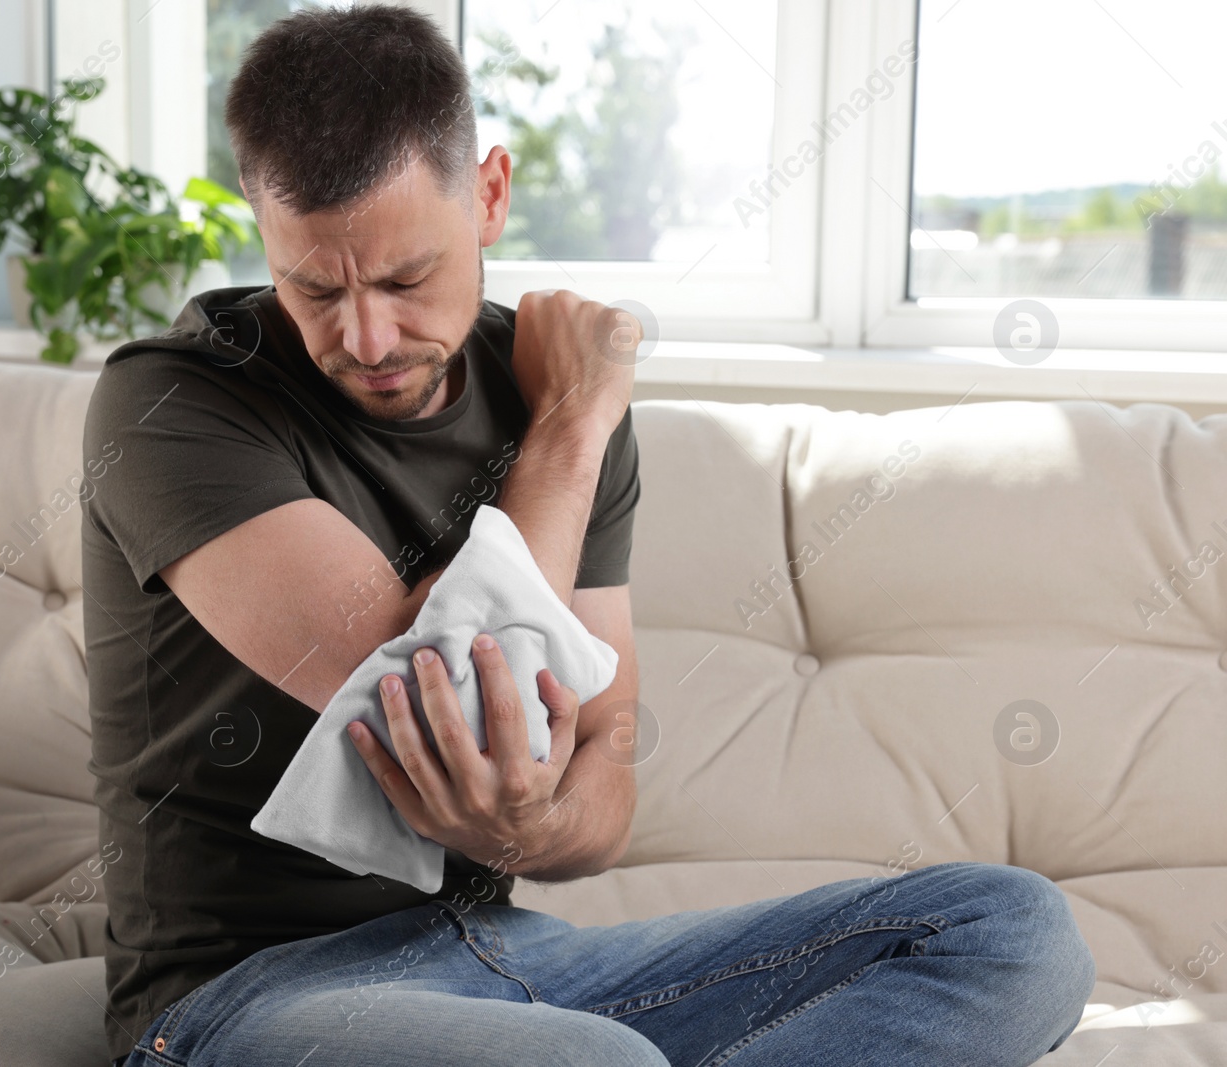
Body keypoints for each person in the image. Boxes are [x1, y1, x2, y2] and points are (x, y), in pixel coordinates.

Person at [80, 6, 1096, 1065]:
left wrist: (517, 828)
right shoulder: (175, 400)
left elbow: (602, 781)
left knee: (1009, 931)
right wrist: (569, 427)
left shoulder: (545, 388)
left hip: (505, 956)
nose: (366, 336)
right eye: (315, 288)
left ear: (488, 194)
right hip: (242, 998)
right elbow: (438, 681)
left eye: (402, 279)